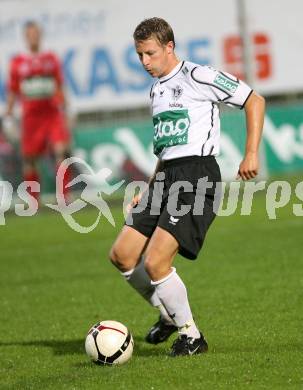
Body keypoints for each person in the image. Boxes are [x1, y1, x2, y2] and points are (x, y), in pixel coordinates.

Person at [109, 17, 265, 357]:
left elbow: (255, 100)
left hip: (197, 176)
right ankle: (167, 314)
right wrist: (147, 190)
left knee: (156, 262)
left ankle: (191, 336)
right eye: (139, 55)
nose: (145, 62)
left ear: (169, 47)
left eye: (150, 53)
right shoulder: (156, 89)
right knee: (122, 255)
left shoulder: (198, 76)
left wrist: (251, 153)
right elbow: (165, 152)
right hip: (165, 178)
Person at [4, 20, 71, 202]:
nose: (33, 37)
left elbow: (59, 86)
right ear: (26, 37)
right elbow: (13, 91)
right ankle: (34, 200)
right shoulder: (18, 62)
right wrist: (8, 114)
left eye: (36, 33)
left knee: (61, 151)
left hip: (52, 114)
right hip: (31, 118)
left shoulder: (51, 59)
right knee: (30, 159)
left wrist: (66, 108)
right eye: (30, 34)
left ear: (40, 35)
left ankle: (64, 196)